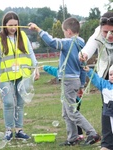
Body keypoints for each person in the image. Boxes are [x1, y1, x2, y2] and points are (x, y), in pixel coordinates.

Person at [29, 17, 101, 146]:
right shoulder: (82, 45)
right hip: (74, 81)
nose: (63, 34)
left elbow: (51, 42)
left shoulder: (69, 43)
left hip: (68, 81)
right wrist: (82, 85)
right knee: (66, 113)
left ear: (68, 31)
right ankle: (73, 138)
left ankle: (92, 133)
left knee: (72, 113)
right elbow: (82, 67)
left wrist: (38, 29)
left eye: (63, 31)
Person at [0, 11, 40, 141]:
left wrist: (36, 69)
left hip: (22, 75)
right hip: (5, 76)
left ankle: (19, 130)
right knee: (8, 103)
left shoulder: (23, 36)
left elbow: (30, 53)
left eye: (15, 25)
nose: (13, 28)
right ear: (4, 25)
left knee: (20, 102)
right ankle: (8, 130)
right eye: (10, 25)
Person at [79, 11, 113, 150]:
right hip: (106, 75)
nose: (109, 35)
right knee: (107, 109)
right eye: (106, 32)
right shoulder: (97, 34)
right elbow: (86, 50)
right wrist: (83, 55)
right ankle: (107, 144)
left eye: (112, 31)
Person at [41, 65, 85, 139]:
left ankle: (80, 134)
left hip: (73, 98)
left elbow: (55, 71)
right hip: (76, 97)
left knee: (73, 115)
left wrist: (45, 67)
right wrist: (45, 67)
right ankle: (78, 134)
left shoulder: (65, 72)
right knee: (73, 115)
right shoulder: (75, 70)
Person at [83, 65, 113, 150]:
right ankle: (106, 146)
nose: (112, 76)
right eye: (110, 74)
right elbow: (96, 79)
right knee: (108, 133)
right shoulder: (104, 84)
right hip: (108, 114)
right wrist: (89, 71)